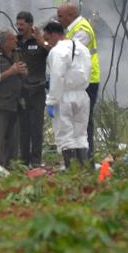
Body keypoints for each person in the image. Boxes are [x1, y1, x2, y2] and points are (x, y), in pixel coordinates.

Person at [42, 21, 91, 168]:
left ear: (55, 34)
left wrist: (51, 101)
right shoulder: (83, 49)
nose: (48, 42)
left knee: (65, 135)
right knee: (81, 135)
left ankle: (71, 170)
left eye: (48, 38)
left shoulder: (57, 51)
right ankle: (83, 169)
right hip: (82, 95)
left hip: (64, 97)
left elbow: (57, 76)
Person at [58, 1, 101, 160]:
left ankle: (86, 159)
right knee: (77, 120)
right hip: (80, 81)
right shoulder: (73, 29)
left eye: (60, 16)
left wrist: (47, 43)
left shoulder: (82, 30)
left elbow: (69, 53)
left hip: (89, 80)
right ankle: (79, 158)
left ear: (71, 15)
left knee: (84, 121)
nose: (58, 19)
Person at [15, 12, 49, 167]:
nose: (19, 27)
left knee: (36, 127)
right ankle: (23, 161)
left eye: (22, 24)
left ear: (30, 25)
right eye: (18, 24)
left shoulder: (39, 41)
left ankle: (36, 161)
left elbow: (53, 53)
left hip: (37, 90)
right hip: (21, 91)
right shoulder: (16, 41)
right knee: (23, 127)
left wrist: (42, 42)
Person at [0, 28, 25, 167]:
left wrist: (22, 72)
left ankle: (11, 165)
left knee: (13, 137)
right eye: (11, 39)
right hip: (0, 103)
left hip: (15, 102)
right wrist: (11, 71)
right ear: (3, 43)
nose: (16, 40)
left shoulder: (16, 54)